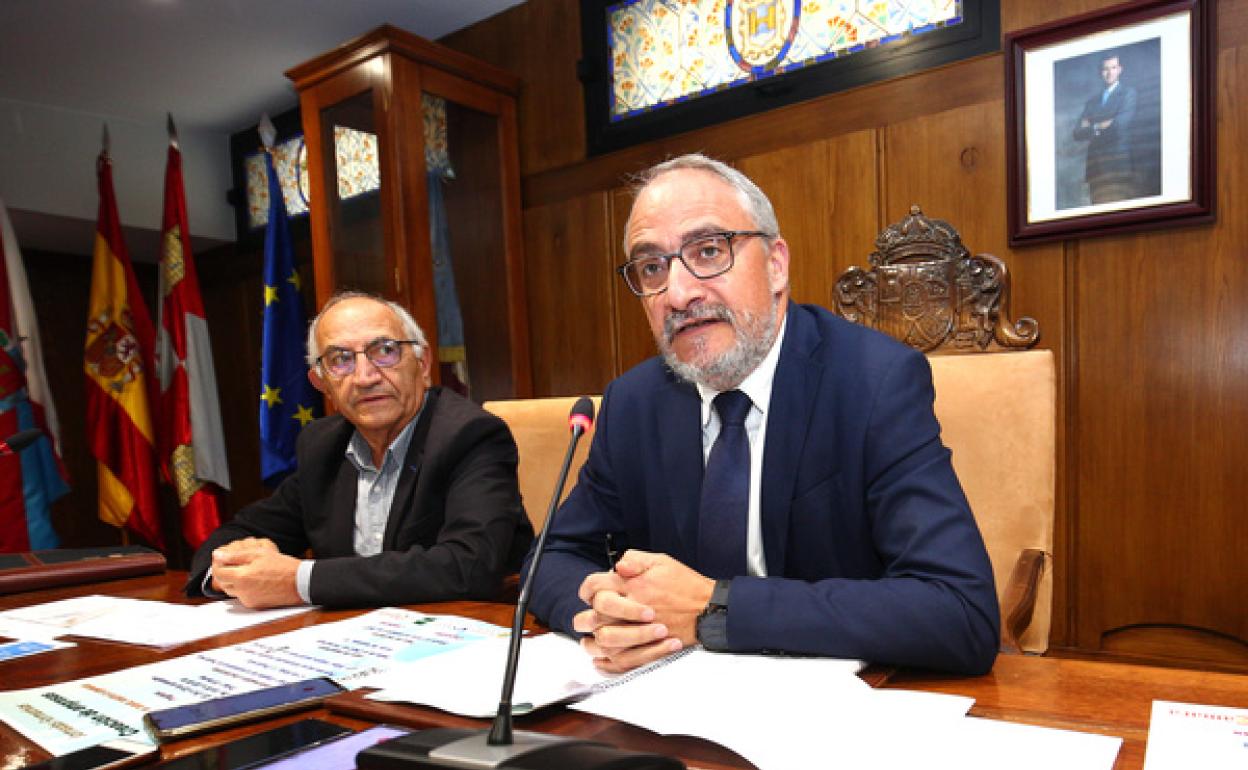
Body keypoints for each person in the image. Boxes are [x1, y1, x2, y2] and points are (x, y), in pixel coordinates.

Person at [525, 154, 1000, 676]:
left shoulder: (874, 382)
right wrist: (612, 615)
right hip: (670, 705)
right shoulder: (634, 403)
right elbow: (549, 560)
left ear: (776, 265)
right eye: (652, 267)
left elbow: (959, 612)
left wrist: (714, 608)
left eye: (708, 251)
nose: (679, 293)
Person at [187, 291, 533, 609]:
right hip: (350, 641)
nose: (365, 376)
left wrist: (297, 581)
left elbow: (468, 566)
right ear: (322, 384)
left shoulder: (471, 436)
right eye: (341, 360)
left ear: (423, 364)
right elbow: (242, 530)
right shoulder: (323, 445)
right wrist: (229, 567)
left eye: (385, 351)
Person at [1073, 52, 1139, 204]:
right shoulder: (1092, 102)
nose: (1109, 73)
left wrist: (1091, 126)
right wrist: (1101, 125)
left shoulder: (1128, 94)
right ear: (1100, 72)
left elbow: (1119, 125)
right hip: (1096, 168)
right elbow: (1077, 133)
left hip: (1117, 165)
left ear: (1120, 69)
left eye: (1113, 68)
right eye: (1105, 69)